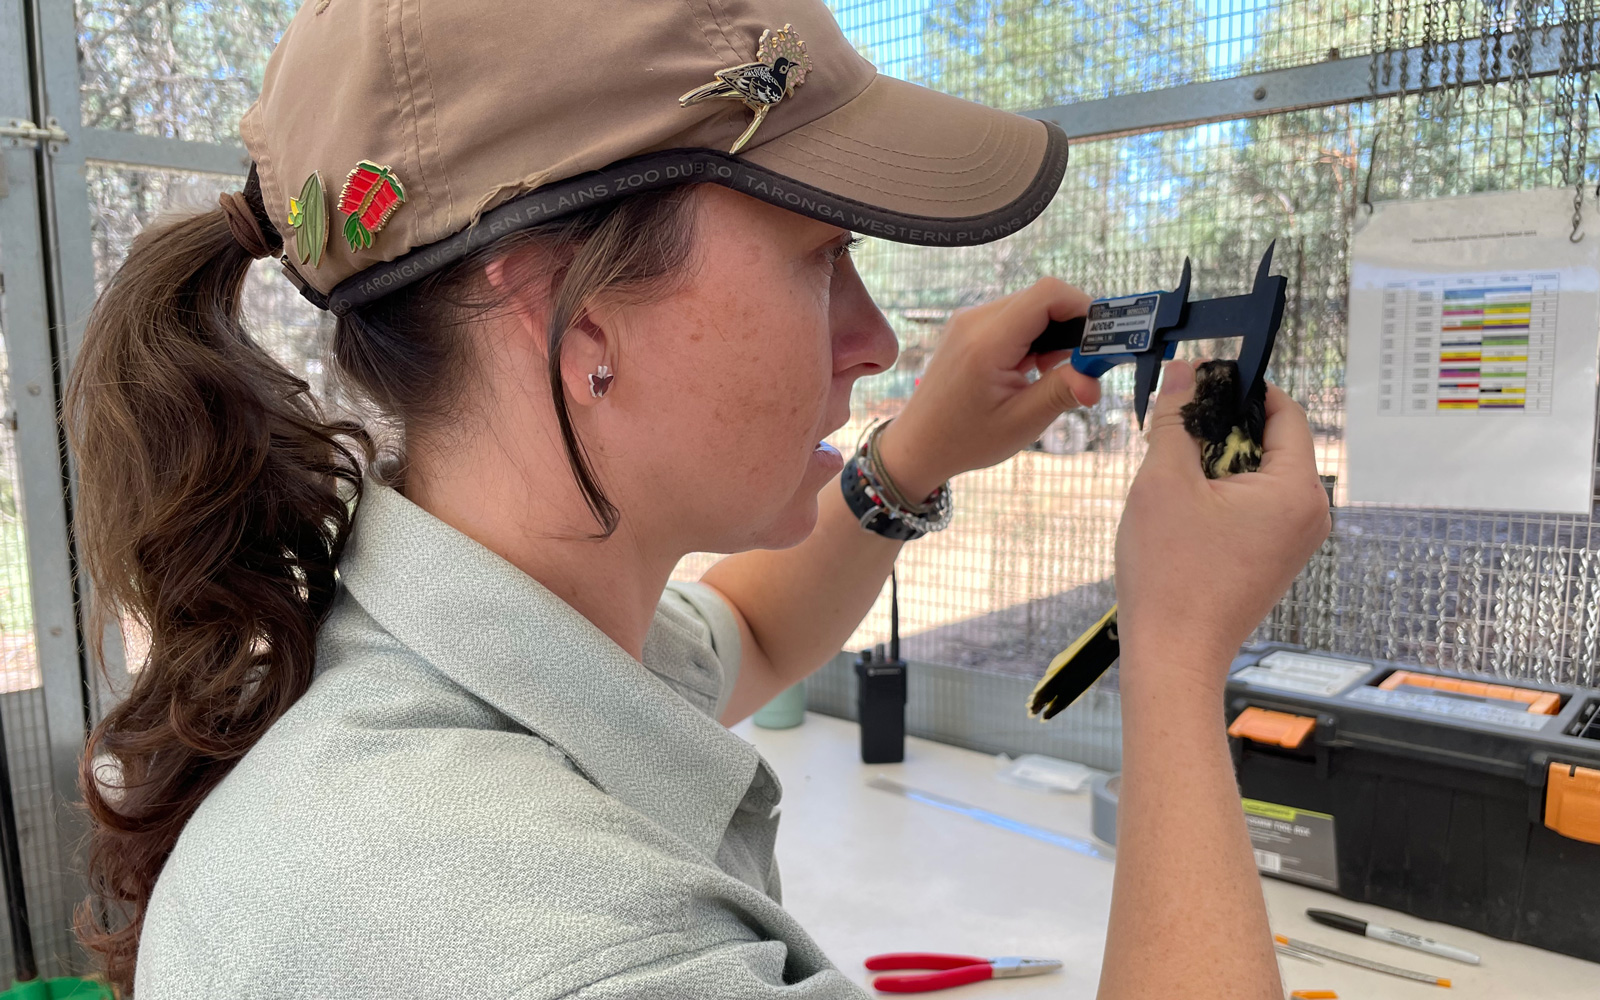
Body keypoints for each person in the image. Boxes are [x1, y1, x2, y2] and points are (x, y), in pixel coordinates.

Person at [65, 1, 1330, 998]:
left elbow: (751, 638)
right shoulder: (551, 940)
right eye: (821, 256)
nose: (876, 337)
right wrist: (1171, 650)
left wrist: (912, 458)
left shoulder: (432, 652)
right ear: (562, 313)